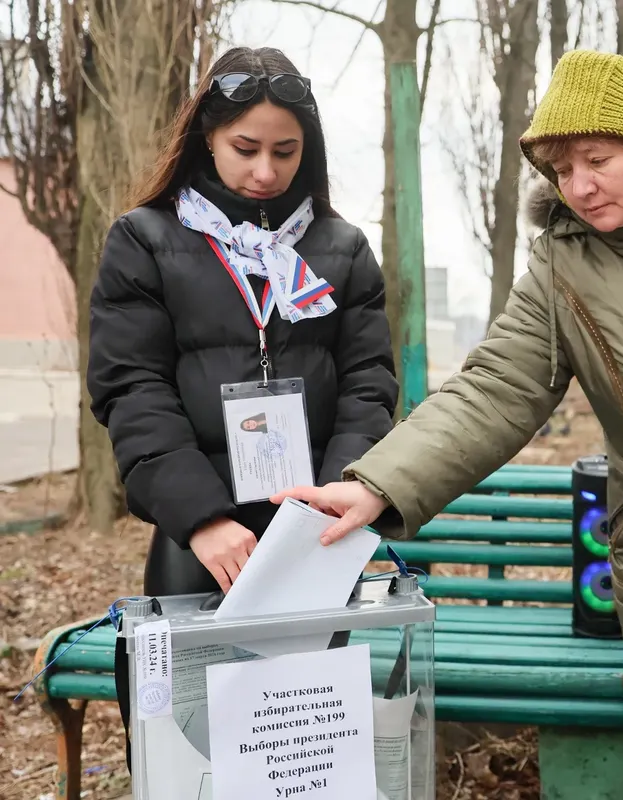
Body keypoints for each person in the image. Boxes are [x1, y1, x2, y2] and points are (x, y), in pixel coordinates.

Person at [273, 49, 623, 799]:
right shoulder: (564, 265)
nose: (579, 186)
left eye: (597, 160)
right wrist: (376, 486)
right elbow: (497, 387)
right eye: (560, 171)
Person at [86, 46, 399, 766]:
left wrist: (339, 492)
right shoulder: (144, 240)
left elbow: (368, 384)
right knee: (187, 752)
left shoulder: (342, 248)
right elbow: (132, 388)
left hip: (311, 539)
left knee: (299, 754)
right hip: (200, 541)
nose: (265, 172)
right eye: (245, 149)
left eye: (286, 152)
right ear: (206, 137)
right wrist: (201, 519)